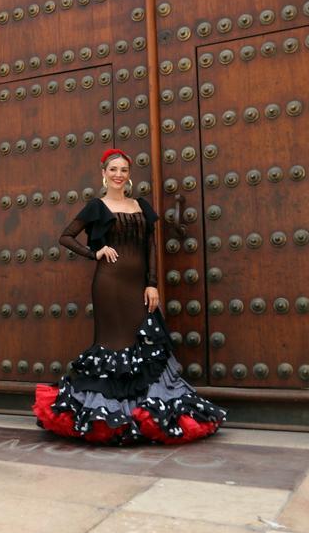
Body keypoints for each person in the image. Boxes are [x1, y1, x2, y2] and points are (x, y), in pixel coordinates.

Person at [33, 148, 226, 444]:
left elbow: (150, 246)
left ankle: (141, 412)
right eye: (113, 170)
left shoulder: (140, 205)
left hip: (138, 285)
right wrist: (94, 252)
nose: (118, 175)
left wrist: (152, 284)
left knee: (143, 344)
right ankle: (110, 416)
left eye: (123, 170)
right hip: (109, 284)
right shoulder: (97, 206)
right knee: (113, 344)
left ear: (129, 175)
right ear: (103, 173)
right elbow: (66, 236)